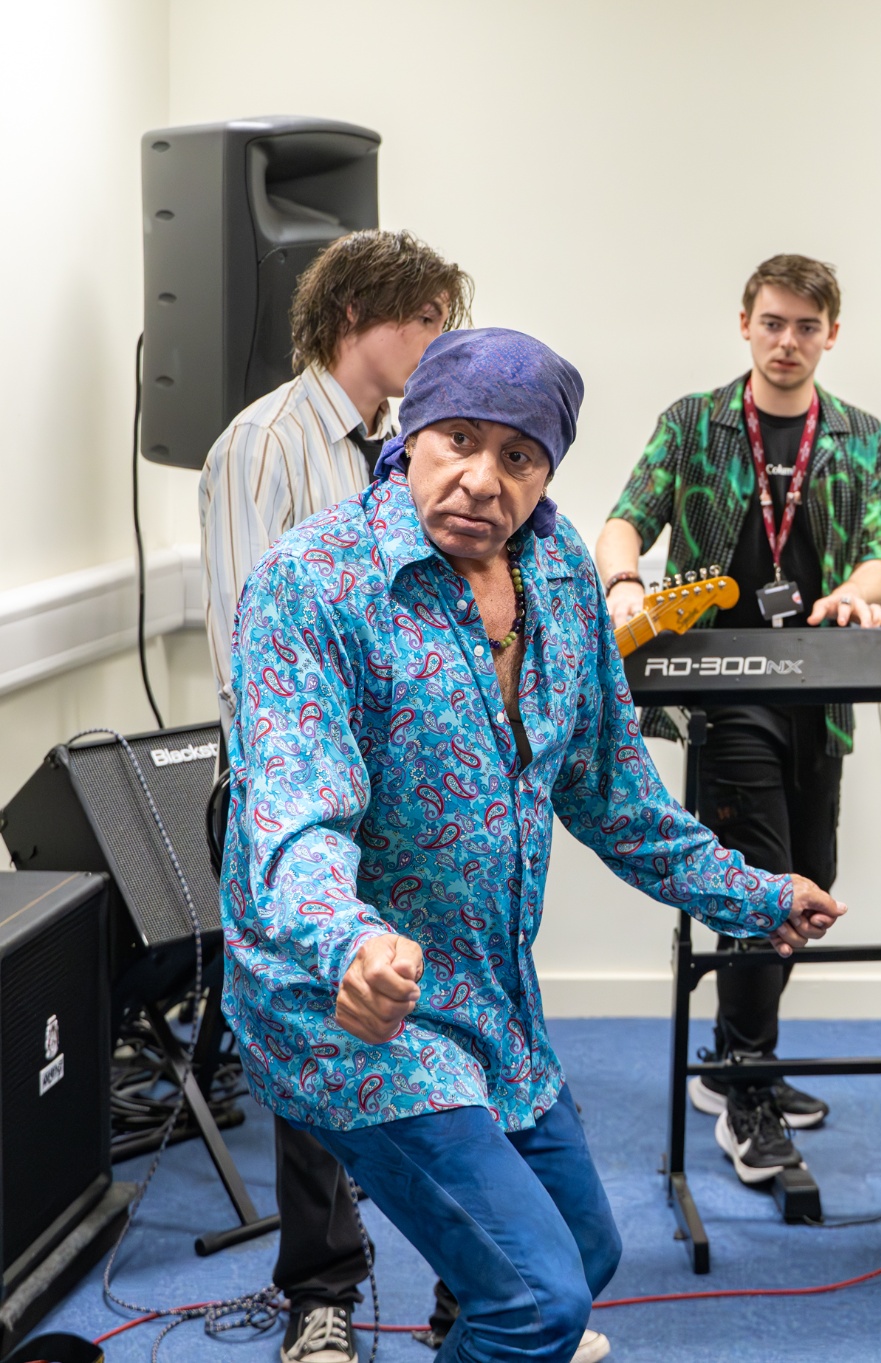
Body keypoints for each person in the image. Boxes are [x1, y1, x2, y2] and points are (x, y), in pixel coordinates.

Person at [219, 328, 846, 1363]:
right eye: (458, 440)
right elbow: (296, 816)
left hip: (486, 992)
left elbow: (613, 792)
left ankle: (474, 1326)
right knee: (540, 1302)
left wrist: (755, 894)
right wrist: (350, 943)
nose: (482, 478)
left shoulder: (558, 575)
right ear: (409, 437)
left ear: (548, 471)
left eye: (518, 456)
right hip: (344, 1004)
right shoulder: (314, 582)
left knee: (585, 1250)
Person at [196, 227, 470, 1363]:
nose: (443, 344)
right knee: (316, 1058)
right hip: (299, 801)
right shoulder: (262, 446)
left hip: (408, 800)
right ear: (360, 315)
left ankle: (472, 1288)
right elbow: (255, 655)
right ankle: (322, 1294)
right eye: (429, 321)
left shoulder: (410, 452)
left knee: (448, 1033)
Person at [593, 254, 881, 1184]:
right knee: (764, 879)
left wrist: (856, 593)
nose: (787, 341)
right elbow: (623, 519)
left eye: (806, 326)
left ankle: (733, 1057)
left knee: (814, 875)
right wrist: (624, 580)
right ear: (744, 324)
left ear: (831, 334)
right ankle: (747, 1085)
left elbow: (876, 555)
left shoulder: (862, 434)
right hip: (724, 692)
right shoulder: (695, 422)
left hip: (821, 692)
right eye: (772, 322)